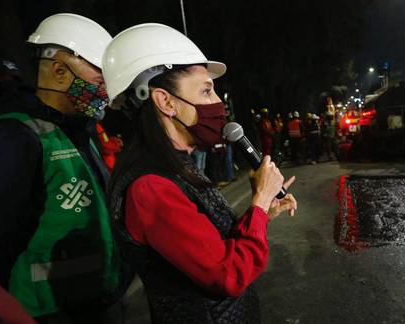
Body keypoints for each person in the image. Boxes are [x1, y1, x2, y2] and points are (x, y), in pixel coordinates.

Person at [103, 23, 298, 323]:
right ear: (165, 102)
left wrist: (261, 214)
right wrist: (258, 202)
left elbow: (212, 244)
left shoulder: (176, 166)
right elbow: (227, 273)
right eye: (206, 91)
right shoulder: (150, 187)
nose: (218, 103)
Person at [0, 14, 123, 322]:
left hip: (96, 304)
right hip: (47, 312)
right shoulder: (17, 137)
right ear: (59, 72)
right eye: (99, 81)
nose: (105, 92)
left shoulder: (77, 130)